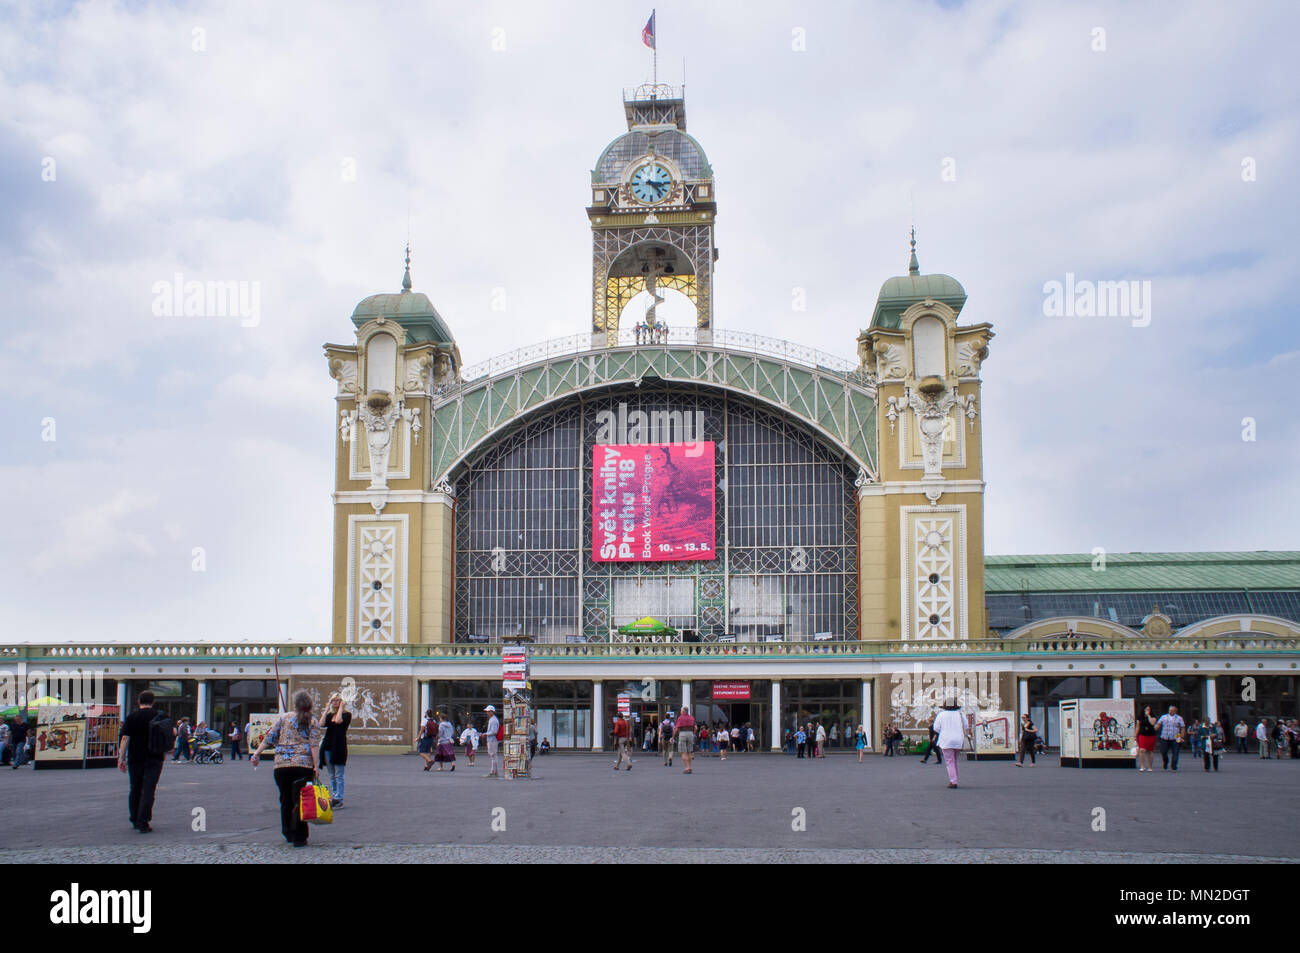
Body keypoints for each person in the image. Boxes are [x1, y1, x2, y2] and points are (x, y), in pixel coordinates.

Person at [251, 691, 321, 848]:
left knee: (285, 800)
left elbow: (269, 738)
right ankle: (299, 836)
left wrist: (256, 754)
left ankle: (288, 832)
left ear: (294, 704)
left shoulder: (284, 718)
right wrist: (316, 765)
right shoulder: (313, 721)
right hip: (302, 766)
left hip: (281, 766)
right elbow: (314, 745)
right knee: (301, 801)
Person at [117, 690, 166, 833]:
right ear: (153, 702)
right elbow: (170, 734)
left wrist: (121, 758)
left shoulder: (132, 717)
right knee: (149, 790)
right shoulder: (159, 716)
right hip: (154, 757)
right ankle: (143, 821)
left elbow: (125, 738)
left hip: (135, 758)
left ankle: (134, 818)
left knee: (135, 788)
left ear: (139, 701)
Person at [317, 693, 351, 805]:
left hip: (339, 747)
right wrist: (326, 709)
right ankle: (335, 795)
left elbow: (338, 721)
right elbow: (321, 724)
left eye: (337, 700)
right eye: (333, 700)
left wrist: (341, 707)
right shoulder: (329, 715)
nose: (335, 702)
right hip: (328, 746)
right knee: (332, 774)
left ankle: (339, 798)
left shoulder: (347, 715)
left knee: (339, 774)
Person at [933, 701, 966, 789]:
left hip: (946, 739)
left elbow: (936, 728)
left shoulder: (941, 714)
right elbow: (966, 725)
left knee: (949, 761)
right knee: (955, 760)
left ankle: (953, 781)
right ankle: (955, 778)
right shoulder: (960, 714)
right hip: (958, 739)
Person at [1155, 705, 1185, 771]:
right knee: (1163, 751)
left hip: (1176, 737)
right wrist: (1156, 727)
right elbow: (1159, 723)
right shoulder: (1164, 717)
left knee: (1175, 752)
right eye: (1169, 710)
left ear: (1175, 711)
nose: (1170, 711)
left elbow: (1182, 727)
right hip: (1165, 737)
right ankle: (1166, 762)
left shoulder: (1179, 718)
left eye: (1171, 710)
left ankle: (1174, 766)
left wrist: (1182, 736)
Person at [674, 705, 696, 774]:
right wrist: (693, 734)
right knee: (689, 751)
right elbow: (695, 727)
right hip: (690, 733)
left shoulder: (680, 718)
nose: (680, 712)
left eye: (681, 710)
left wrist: (673, 737)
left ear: (683, 711)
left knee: (684, 752)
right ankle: (690, 767)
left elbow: (676, 729)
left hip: (682, 733)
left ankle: (686, 768)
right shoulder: (691, 718)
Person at [1136, 704, 1158, 772]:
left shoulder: (1153, 716)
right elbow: (1138, 726)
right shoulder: (1140, 717)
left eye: (1148, 709)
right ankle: (1142, 766)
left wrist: (1148, 716)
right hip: (1142, 734)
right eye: (1146, 709)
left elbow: (1152, 723)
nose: (1147, 711)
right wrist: (1135, 735)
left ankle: (1150, 767)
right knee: (1142, 750)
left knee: (1150, 751)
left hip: (1151, 735)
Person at [484, 705, 501, 778]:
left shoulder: (493, 720)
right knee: (493, 755)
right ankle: (495, 772)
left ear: (492, 712)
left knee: (493, 755)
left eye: (488, 711)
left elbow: (494, 731)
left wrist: (485, 734)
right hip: (492, 739)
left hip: (492, 739)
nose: (487, 713)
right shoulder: (493, 719)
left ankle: (493, 772)